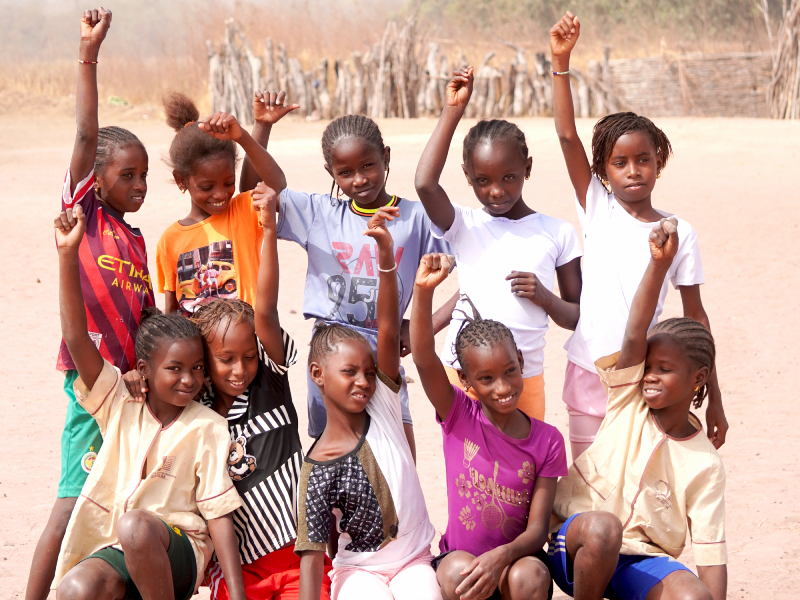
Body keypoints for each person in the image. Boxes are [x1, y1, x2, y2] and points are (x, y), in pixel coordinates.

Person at [128, 183, 334, 599]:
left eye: (248, 356)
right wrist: (138, 378)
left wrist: (270, 231)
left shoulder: (269, 384)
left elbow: (267, 309)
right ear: (203, 365)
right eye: (225, 360)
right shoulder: (194, 409)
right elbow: (161, 364)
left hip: (298, 557)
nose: (241, 369)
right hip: (236, 568)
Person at [550, 11, 728, 458]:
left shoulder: (678, 232)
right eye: (620, 162)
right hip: (588, 368)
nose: (633, 171)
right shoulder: (598, 207)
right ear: (603, 172)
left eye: (643, 160)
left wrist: (716, 401)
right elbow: (568, 136)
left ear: (659, 162)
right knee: (588, 483)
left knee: (635, 487)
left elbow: (696, 323)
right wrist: (560, 62)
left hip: (646, 376)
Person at [237, 93, 454, 453]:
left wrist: (422, 325)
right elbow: (254, 193)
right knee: (336, 458)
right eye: (346, 172)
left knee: (398, 458)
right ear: (331, 173)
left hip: (382, 352)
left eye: (368, 165)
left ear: (386, 156)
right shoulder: (320, 213)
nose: (359, 179)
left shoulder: (417, 218)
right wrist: (259, 128)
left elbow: (475, 269)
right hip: (331, 354)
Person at [51, 204, 246, 600]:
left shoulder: (207, 426)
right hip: (117, 544)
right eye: (174, 369)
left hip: (179, 551)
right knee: (76, 588)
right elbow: (76, 337)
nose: (189, 379)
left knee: (137, 527)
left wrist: (237, 595)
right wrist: (68, 255)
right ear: (144, 368)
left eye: (197, 369)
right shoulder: (120, 403)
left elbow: (218, 514)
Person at [25, 9, 156, 600]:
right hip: (89, 381)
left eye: (146, 177)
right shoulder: (87, 215)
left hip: (125, 386)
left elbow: (147, 316)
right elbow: (84, 134)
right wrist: (88, 55)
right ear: (95, 183)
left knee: (114, 493)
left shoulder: (134, 238)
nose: (141, 187)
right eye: (128, 176)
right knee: (70, 498)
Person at [548, 217, 727, 600]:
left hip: (640, 561)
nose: (649, 377)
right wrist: (659, 265)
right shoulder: (628, 398)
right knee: (604, 530)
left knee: (695, 597)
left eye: (664, 370)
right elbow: (634, 331)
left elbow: (711, 552)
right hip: (577, 542)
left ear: (699, 379)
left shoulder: (705, 463)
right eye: (648, 367)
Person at [414, 67, 583, 422]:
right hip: (463, 376)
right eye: (482, 180)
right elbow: (425, 184)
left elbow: (575, 316)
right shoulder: (464, 225)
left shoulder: (557, 233)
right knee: (467, 472)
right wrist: (453, 112)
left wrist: (544, 297)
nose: (496, 190)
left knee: (525, 468)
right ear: (467, 177)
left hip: (524, 378)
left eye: (509, 177)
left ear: (528, 168)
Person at [294, 207, 440, 600]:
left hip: (414, 561)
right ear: (317, 374)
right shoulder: (315, 468)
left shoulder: (384, 407)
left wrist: (387, 257)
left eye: (370, 372)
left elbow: (389, 329)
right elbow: (311, 557)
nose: (364, 381)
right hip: (359, 573)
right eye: (350, 372)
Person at [410, 254, 568, 600]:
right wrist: (423, 292)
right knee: (456, 571)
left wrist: (502, 557)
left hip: (516, 563)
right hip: (463, 563)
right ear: (466, 380)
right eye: (487, 378)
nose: (503, 387)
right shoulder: (459, 414)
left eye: (510, 371)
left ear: (521, 362)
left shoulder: (547, 441)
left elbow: (538, 529)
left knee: (532, 575)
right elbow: (422, 356)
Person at [155, 91, 286, 315]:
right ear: (181, 180)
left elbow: (277, 186)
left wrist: (245, 136)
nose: (221, 194)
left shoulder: (242, 213)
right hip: (198, 349)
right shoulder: (169, 240)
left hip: (245, 347)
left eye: (228, 183)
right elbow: (171, 310)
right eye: (207, 187)